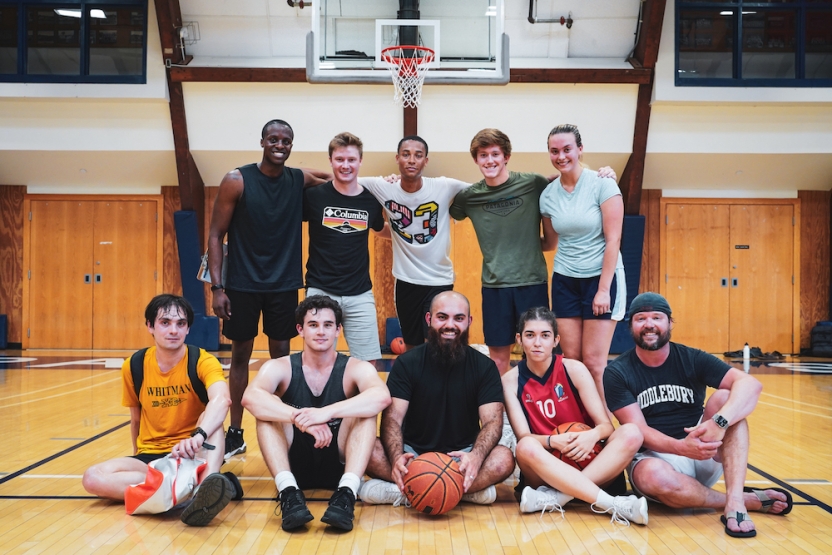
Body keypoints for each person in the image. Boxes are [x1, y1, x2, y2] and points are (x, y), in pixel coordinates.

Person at [604, 292, 793, 538]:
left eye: (657, 317)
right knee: (652, 475)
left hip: (704, 445)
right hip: (659, 457)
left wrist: (719, 423)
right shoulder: (617, 372)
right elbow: (639, 430)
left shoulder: (691, 358)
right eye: (641, 318)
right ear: (631, 326)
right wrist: (681, 448)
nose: (649, 324)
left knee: (726, 398)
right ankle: (744, 500)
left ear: (670, 323)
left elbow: (750, 385)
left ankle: (734, 503)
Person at [208, 119, 330, 458]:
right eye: (273, 138)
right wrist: (217, 288)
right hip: (242, 285)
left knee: (282, 359)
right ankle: (235, 432)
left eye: (286, 140)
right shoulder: (237, 180)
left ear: (292, 145)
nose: (279, 144)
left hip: (284, 284)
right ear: (262, 141)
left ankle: (286, 426)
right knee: (240, 357)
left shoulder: (296, 178)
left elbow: (332, 177)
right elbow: (216, 235)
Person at [82, 294, 240, 526]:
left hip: (194, 452)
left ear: (187, 330)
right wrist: (137, 455)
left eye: (180, 324)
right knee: (92, 478)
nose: (173, 330)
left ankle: (202, 488)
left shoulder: (201, 361)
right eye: (165, 322)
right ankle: (185, 490)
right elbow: (135, 420)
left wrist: (199, 435)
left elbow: (223, 399)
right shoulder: (134, 365)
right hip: (151, 457)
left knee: (212, 415)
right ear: (150, 327)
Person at [241, 295, 391, 532]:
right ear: (300, 329)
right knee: (266, 409)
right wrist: (299, 419)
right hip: (293, 459)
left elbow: (381, 396)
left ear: (338, 330)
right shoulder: (280, 366)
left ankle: (346, 493)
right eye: (313, 325)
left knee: (366, 409)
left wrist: (325, 413)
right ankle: (288, 492)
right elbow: (250, 397)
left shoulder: (354, 367)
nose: (321, 331)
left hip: (340, 458)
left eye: (328, 325)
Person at [361, 291, 515, 506]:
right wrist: (397, 457)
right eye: (442, 317)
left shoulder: (484, 367)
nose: (450, 325)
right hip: (412, 456)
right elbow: (392, 419)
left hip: (462, 458)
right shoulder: (407, 363)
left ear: (469, 322)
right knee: (367, 450)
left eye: (458, 318)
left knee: (503, 459)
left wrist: (476, 457)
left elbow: (492, 422)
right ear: (429, 319)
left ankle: (407, 493)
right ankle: (462, 493)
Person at [502, 307, 647, 525]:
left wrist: (591, 436)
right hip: (546, 465)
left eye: (545, 335)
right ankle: (611, 503)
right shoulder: (510, 380)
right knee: (525, 447)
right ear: (519, 340)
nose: (537, 342)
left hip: (588, 458)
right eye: (530, 335)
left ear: (556, 340)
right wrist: (553, 441)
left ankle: (557, 498)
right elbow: (524, 436)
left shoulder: (574, 369)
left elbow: (605, 426)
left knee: (632, 432)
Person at [449, 129, 553, 376]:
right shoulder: (468, 197)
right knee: (497, 359)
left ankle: (535, 408)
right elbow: (444, 211)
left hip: (532, 282)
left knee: (538, 353)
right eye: (483, 155)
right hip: (495, 287)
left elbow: (568, 181)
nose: (489, 160)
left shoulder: (533, 183)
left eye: (495, 154)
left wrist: (605, 174)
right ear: (476, 160)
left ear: (506, 156)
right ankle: (502, 411)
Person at [539, 124, 626, 410]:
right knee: (572, 361)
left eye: (567, 149)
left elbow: (613, 240)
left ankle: (606, 431)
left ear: (579, 149)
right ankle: (578, 424)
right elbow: (550, 243)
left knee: (594, 363)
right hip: (565, 279)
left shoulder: (603, 184)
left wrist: (603, 291)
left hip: (601, 279)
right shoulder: (548, 194)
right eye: (555, 151)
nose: (561, 156)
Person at [359, 136, 470, 351]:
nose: (411, 160)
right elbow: (342, 180)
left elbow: (487, 188)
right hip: (405, 281)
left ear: (425, 161)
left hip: (438, 280)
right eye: (406, 154)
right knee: (411, 344)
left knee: (438, 342)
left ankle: (441, 384)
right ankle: (416, 385)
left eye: (418, 155)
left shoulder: (444, 186)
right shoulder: (383, 186)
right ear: (397, 158)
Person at [303, 132, 387, 362]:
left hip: (360, 293)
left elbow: (381, 229)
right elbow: (288, 175)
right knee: (317, 359)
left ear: (360, 161)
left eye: (351, 160)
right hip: (320, 289)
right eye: (339, 159)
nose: (346, 165)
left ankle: (361, 399)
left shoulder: (371, 199)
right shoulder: (314, 196)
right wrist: (324, 176)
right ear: (330, 161)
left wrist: (413, 240)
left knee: (369, 363)